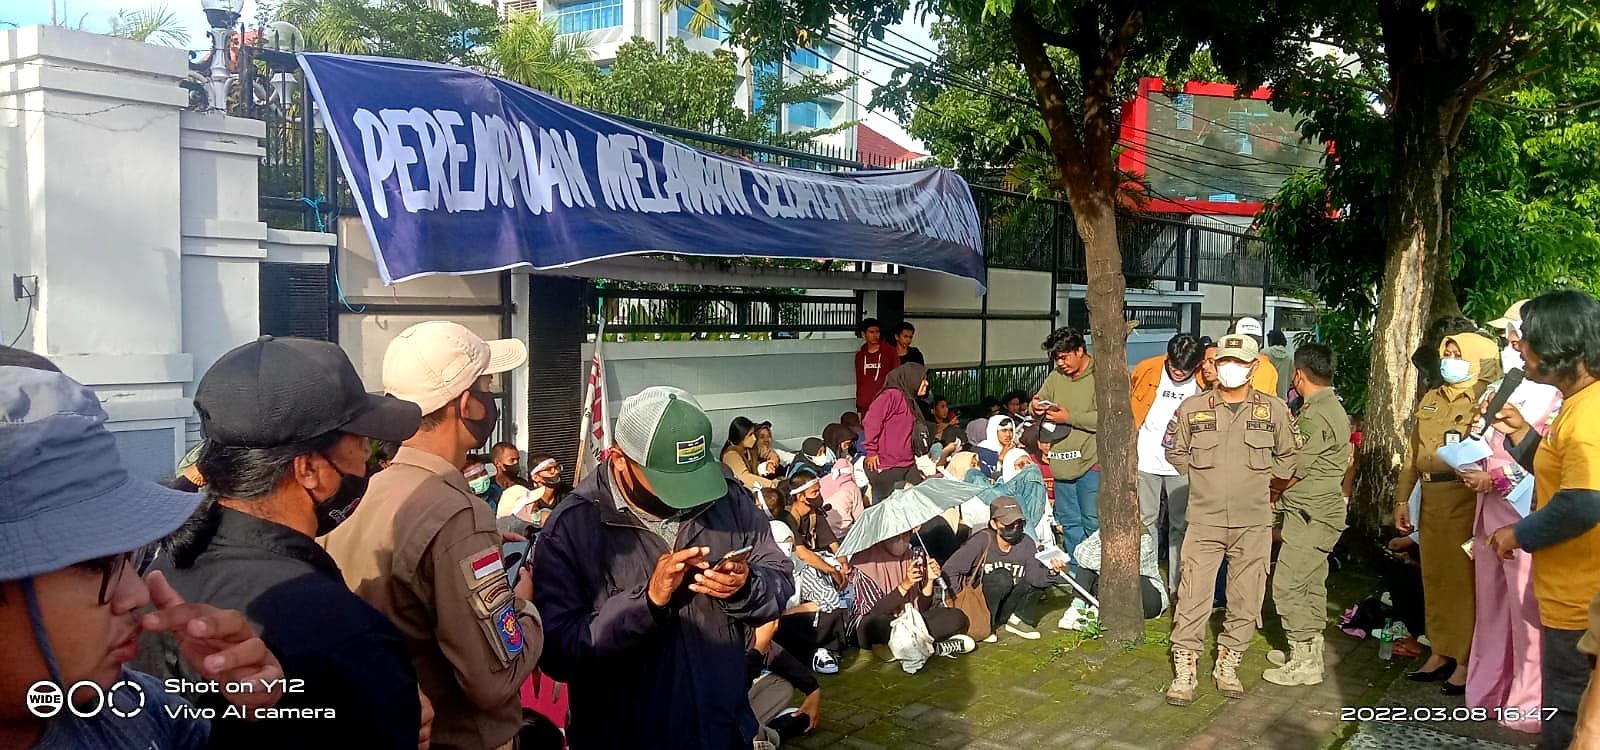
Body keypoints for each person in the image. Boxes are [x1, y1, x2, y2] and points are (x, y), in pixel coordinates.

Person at [146, 336, 426, 748]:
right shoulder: (347, 632)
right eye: (361, 444)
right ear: (309, 468)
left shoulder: (157, 573)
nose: (368, 459)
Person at [0, 354, 291, 750]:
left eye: (131, 555)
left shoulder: (133, 711)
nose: (137, 595)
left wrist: (250, 716)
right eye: (94, 564)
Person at [532, 386, 794, 749]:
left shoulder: (727, 497)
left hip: (723, 729)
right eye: (669, 481)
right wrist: (647, 604)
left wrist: (746, 586)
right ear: (619, 459)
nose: (689, 496)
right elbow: (558, 653)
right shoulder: (572, 529)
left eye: (695, 476)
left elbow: (780, 580)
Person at [323, 320, 541, 750]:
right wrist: (525, 604)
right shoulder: (459, 515)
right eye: (487, 387)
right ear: (467, 405)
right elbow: (495, 678)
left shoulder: (367, 491)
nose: (491, 399)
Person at [1483, 291, 1600, 748]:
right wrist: (1520, 434)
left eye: (1528, 338)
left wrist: (1518, 532)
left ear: (1561, 346)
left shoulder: (1590, 414)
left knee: (1568, 718)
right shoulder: (1577, 402)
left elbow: (1585, 502)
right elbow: (1564, 474)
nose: (1519, 347)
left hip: (1581, 602)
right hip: (1568, 594)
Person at [1164, 333, 1297, 706]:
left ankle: (1229, 663)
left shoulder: (1274, 410)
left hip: (1253, 521)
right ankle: (1185, 669)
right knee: (1193, 594)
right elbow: (1174, 451)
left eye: (1239, 362)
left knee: (1246, 597)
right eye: (1224, 361)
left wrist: (1270, 489)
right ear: (1214, 365)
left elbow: (1289, 458)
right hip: (1204, 520)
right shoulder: (1193, 408)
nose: (1230, 368)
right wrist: (1205, 481)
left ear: (1253, 367)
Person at [1462, 304, 1563, 733]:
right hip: (1488, 515)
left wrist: (1496, 478)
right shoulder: (1502, 386)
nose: (1510, 345)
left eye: (1516, 336)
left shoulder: (1561, 397)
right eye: (1506, 337)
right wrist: (1469, 457)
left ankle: (1527, 705)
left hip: (1528, 517)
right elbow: (1480, 437)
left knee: (1527, 617)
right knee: (1489, 610)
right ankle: (1485, 694)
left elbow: (1552, 463)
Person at [1394, 330, 1500, 695]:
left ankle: (1465, 659)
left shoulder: (1486, 400)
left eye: (1458, 354)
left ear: (1479, 360)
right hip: (1430, 496)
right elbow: (1412, 453)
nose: (1450, 360)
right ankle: (1439, 650)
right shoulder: (1431, 398)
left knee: (1463, 581)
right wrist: (1401, 500)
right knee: (1434, 577)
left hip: (1463, 497)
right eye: (1448, 353)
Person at [1261, 344, 1352, 687]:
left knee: (1288, 584)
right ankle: (1309, 651)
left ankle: (1303, 661)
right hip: (1316, 512)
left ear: (1298, 375)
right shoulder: (1329, 406)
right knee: (1310, 583)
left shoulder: (1316, 415)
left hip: (1311, 513)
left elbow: (1293, 470)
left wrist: (1270, 492)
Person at [1130, 333, 1205, 590]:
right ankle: (1150, 583)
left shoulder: (1204, 379)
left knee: (1180, 525)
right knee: (1145, 522)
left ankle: (1177, 585)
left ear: (1196, 365)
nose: (1178, 373)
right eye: (1174, 366)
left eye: (1185, 370)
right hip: (1145, 460)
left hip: (1182, 464)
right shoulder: (1147, 369)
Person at [943, 497, 1060, 642]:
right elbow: (950, 569)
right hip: (981, 604)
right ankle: (986, 624)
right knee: (1001, 578)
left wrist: (1052, 572)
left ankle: (1018, 619)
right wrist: (957, 598)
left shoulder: (1026, 542)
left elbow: (1034, 578)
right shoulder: (980, 541)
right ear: (994, 524)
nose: (1015, 528)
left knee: (1037, 578)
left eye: (1019, 523)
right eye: (1009, 524)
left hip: (1009, 603)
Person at [1033, 327, 1101, 557]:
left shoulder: (1100, 375)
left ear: (1080, 350)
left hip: (1090, 462)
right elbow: (1039, 400)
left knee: (1092, 521)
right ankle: (1075, 569)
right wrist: (1035, 407)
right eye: (1056, 358)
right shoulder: (1056, 377)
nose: (1060, 363)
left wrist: (1069, 417)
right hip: (1061, 462)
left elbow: (1107, 419)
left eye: (1064, 357)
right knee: (1070, 522)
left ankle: (1095, 568)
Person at [850, 536, 974, 660]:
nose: (902, 541)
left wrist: (929, 580)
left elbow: (921, 609)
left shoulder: (912, 558)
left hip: (910, 622)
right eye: (896, 537)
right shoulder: (864, 563)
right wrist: (905, 584)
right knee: (874, 624)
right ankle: (930, 648)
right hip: (878, 626)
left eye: (906, 535)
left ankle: (911, 648)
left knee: (956, 617)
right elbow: (875, 611)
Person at [863, 363, 930, 501]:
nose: (926, 383)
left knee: (920, 500)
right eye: (923, 379)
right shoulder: (892, 395)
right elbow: (871, 421)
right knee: (885, 506)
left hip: (907, 463)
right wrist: (871, 451)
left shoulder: (909, 399)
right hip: (888, 466)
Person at [1071, 530, 1169, 620]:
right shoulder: (1104, 530)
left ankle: (1104, 609)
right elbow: (1079, 552)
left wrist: (1099, 556)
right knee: (1084, 566)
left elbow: (1121, 566)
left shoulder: (1144, 539)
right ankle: (1078, 606)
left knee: (1128, 577)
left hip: (1145, 595)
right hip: (1113, 587)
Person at [854, 318, 901, 414]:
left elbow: (897, 377)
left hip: (885, 405)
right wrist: (859, 407)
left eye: (877, 332)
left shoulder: (890, 352)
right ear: (863, 334)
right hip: (865, 406)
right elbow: (859, 381)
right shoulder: (860, 356)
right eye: (871, 332)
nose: (875, 335)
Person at [723, 416, 778, 492]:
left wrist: (771, 463)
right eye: (750, 435)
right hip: (745, 492)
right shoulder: (731, 455)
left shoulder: (752, 447)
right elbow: (745, 477)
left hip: (760, 486)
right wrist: (770, 484)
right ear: (741, 437)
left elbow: (770, 453)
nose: (754, 438)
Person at [1264, 330, 1294, 400]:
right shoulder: (1290, 357)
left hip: (1266, 396)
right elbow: (1291, 378)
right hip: (1282, 397)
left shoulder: (1264, 353)